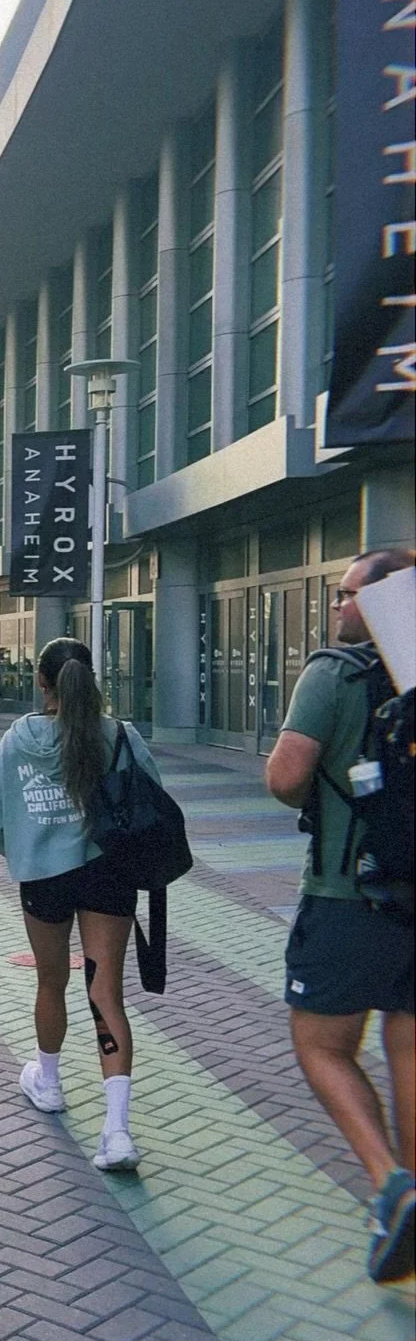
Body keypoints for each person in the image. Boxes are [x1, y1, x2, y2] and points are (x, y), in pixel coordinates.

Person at [265, 546, 415, 1284]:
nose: (336, 607)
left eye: (344, 594)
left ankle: (393, 1184)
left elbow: (286, 779)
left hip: (348, 893)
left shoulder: (333, 672)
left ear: (378, 601)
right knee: (410, 1048)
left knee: (321, 1045)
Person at [0, 635, 164, 1173]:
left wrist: (29, 850)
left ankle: (50, 1083)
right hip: (109, 876)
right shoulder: (119, 735)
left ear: (42, 682)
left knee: (50, 982)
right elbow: (152, 796)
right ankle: (118, 1130)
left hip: (44, 880)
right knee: (106, 994)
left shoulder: (20, 738)